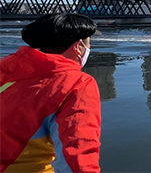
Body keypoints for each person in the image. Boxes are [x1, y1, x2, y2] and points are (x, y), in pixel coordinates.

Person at [0, 14, 102, 173]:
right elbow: (77, 157)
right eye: (89, 42)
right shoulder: (75, 84)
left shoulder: (5, 70)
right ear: (78, 46)